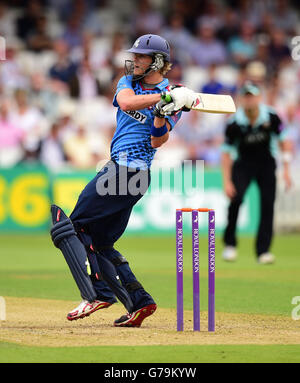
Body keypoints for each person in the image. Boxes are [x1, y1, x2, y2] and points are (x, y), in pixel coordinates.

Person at [50, 34, 194, 327]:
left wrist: (161, 113)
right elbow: (125, 102)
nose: (135, 60)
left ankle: (97, 294)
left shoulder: (172, 97)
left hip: (129, 173)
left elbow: (158, 141)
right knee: (101, 243)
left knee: (70, 227)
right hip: (126, 173)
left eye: (142, 56)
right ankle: (140, 302)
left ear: (157, 61)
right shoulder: (130, 83)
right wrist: (164, 98)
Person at [221, 82, 292, 264]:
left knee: (268, 205)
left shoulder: (272, 116)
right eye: (246, 96)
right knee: (236, 200)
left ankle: (263, 251)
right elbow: (226, 152)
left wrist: (286, 170)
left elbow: (285, 141)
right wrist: (227, 181)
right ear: (242, 99)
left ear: (259, 97)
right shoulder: (234, 123)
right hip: (243, 164)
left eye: (252, 96)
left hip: (266, 164)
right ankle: (230, 245)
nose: (250, 100)